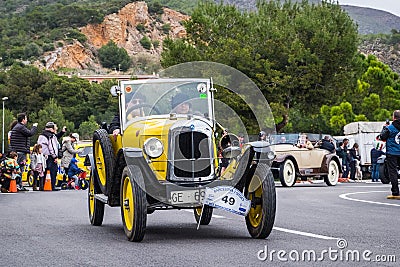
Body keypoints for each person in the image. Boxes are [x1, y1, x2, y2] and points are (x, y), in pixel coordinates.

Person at [9, 112, 38, 191]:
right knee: (19, 169)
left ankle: (18, 185)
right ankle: (18, 185)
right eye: (26, 118)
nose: (27, 120)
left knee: (19, 168)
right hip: (20, 151)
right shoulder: (21, 127)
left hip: (18, 150)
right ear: (23, 119)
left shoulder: (17, 127)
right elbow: (30, 133)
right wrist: (34, 127)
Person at [379, 110, 400, 199]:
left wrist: (384, 127)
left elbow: (382, 137)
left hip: (392, 152)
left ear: (393, 117)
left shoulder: (389, 128)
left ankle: (395, 192)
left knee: (393, 172)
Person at [37, 122, 60, 191]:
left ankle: (42, 186)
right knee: (53, 171)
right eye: (54, 128)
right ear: (51, 129)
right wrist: (55, 156)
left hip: (42, 155)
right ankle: (52, 186)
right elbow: (52, 147)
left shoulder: (41, 135)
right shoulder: (50, 136)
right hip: (50, 156)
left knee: (43, 171)